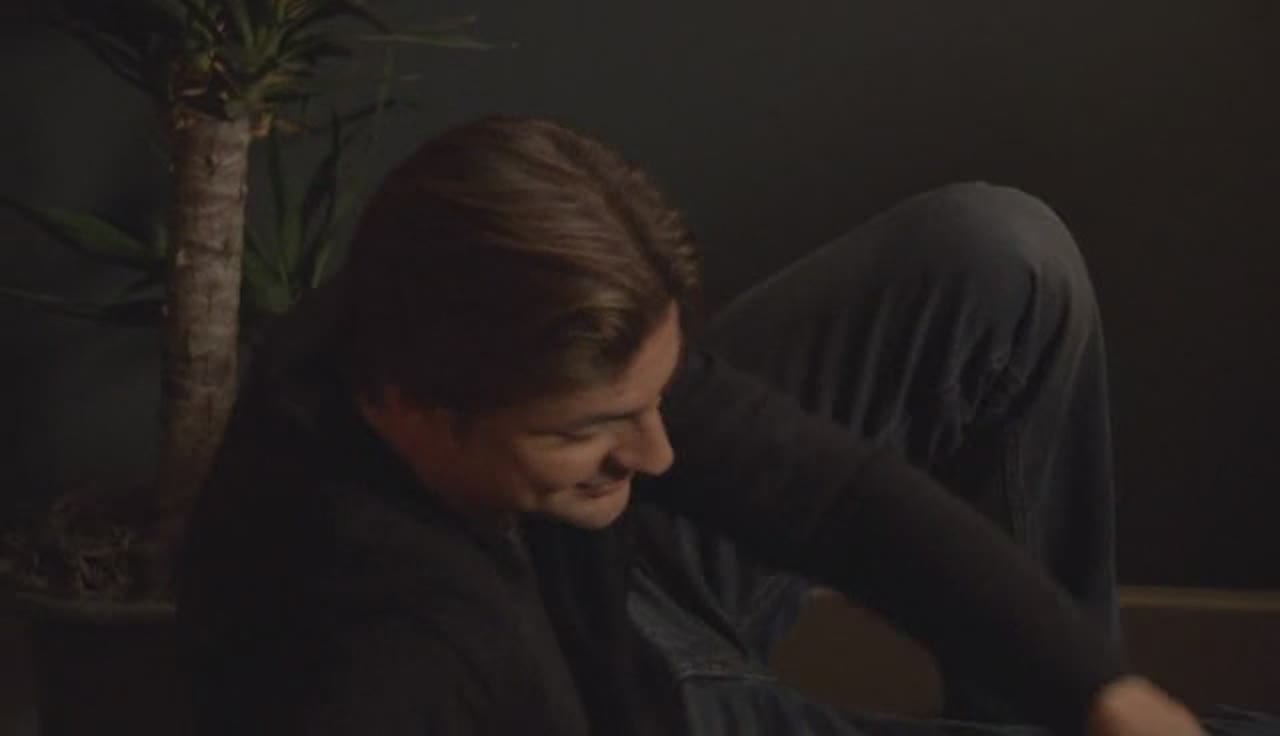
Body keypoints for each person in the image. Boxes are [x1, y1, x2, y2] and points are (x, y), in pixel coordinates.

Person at [176, 116, 1257, 735]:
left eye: (659, 396)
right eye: (599, 425)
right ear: (413, 404)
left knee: (995, 251)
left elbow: (824, 494)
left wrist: (1095, 687)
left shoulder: (448, 297)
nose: (658, 454)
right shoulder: (384, 661)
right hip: (620, 707)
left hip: (603, 602)